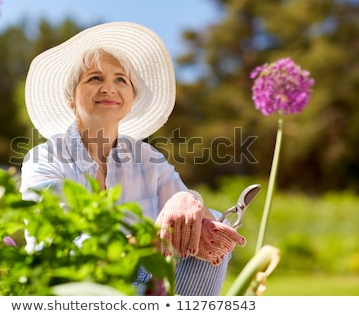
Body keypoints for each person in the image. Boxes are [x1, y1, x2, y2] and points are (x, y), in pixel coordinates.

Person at [19, 21, 245, 295]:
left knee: (204, 234)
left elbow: (193, 216)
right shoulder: (44, 159)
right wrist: (152, 239)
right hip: (70, 293)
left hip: (145, 286)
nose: (109, 88)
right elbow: (56, 249)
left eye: (121, 80)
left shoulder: (146, 158)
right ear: (71, 98)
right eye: (94, 78)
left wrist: (188, 201)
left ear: (131, 97)